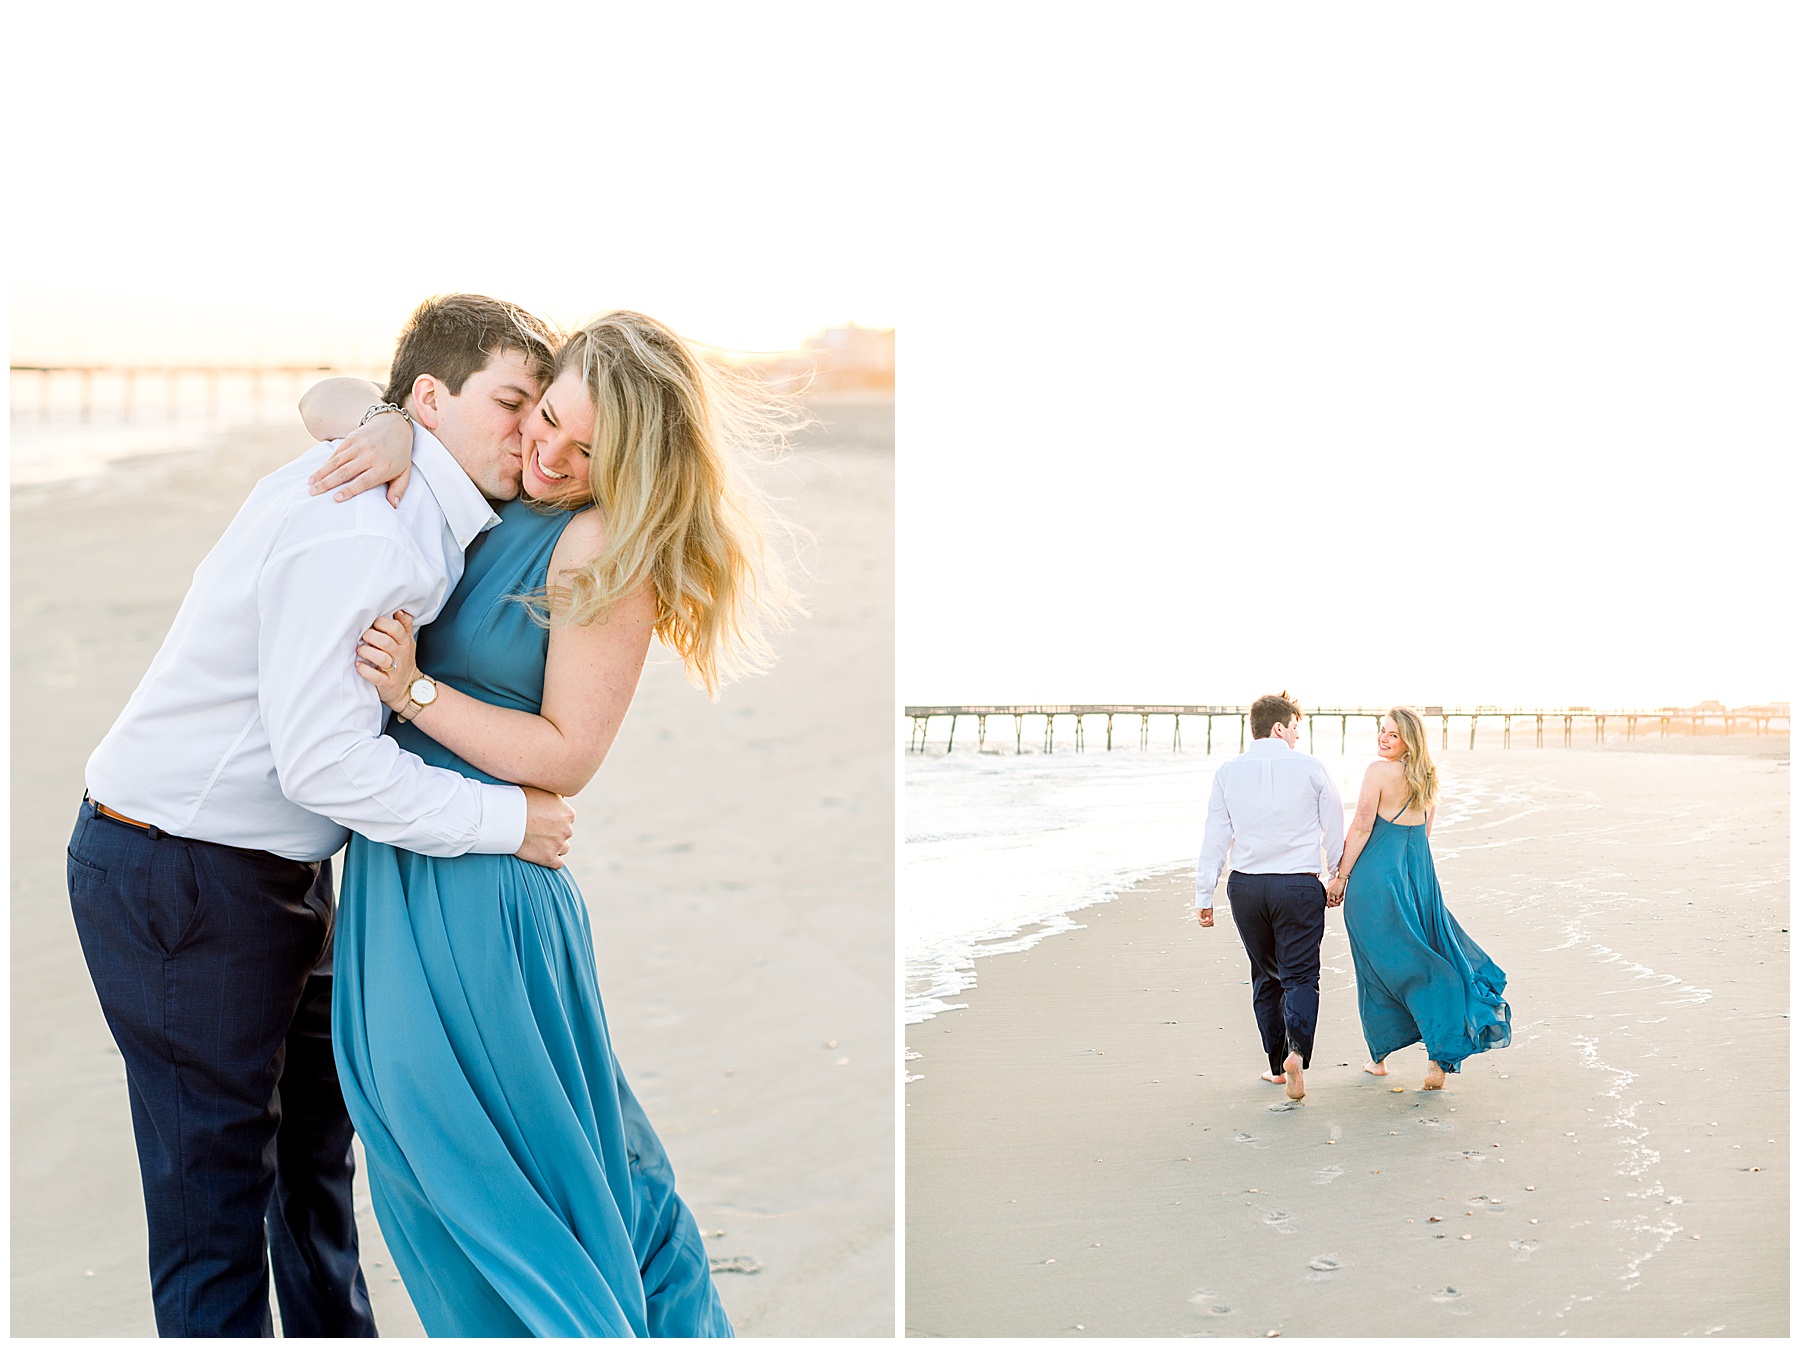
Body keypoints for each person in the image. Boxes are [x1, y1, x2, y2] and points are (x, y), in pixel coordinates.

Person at [68, 294, 574, 1337]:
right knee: (214, 1205)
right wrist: (505, 821)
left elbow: (341, 401)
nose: (530, 434)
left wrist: (373, 415)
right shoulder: (364, 526)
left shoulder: (427, 496)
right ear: (430, 400)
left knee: (313, 1179)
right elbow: (323, 766)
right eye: (512, 403)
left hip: (275, 876)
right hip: (181, 868)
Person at [295, 308, 798, 1336]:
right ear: (541, 385)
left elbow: (570, 755)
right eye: (549, 418)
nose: (552, 456)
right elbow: (318, 401)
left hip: (481, 902)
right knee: (438, 1177)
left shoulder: (600, 542)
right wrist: (391, 423)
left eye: (586, 452)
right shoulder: (482, 483)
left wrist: (417, 693)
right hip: (401, 876)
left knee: (516, 1193)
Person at [1327, 707, 1510, 1089]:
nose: (1383, 739)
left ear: (1409, 739)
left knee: (1376, 967)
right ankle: (1436, 1056)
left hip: (1377, 878)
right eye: (1382, 731)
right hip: (1417, 876)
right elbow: (1424, 833)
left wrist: (1340, 877)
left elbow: (1361, 826)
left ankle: (1380, 1057)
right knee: (1426, 957)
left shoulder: (1378, 772)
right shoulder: (1427, 775)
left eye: (1392, 735)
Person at [1195, 692, 1345, 1102]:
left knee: (1265, 976)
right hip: (1296, 885)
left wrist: (1203, 894)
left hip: (1246, 887)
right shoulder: (1312, 768)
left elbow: (1215, 835)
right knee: (1300, 976)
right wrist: (1336, 875)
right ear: (1279, 727)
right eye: (1295, 727)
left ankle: (1278, 1067)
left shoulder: (1228, 772)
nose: (1298, 736)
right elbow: (1334, 824)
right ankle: (1297, 1051)